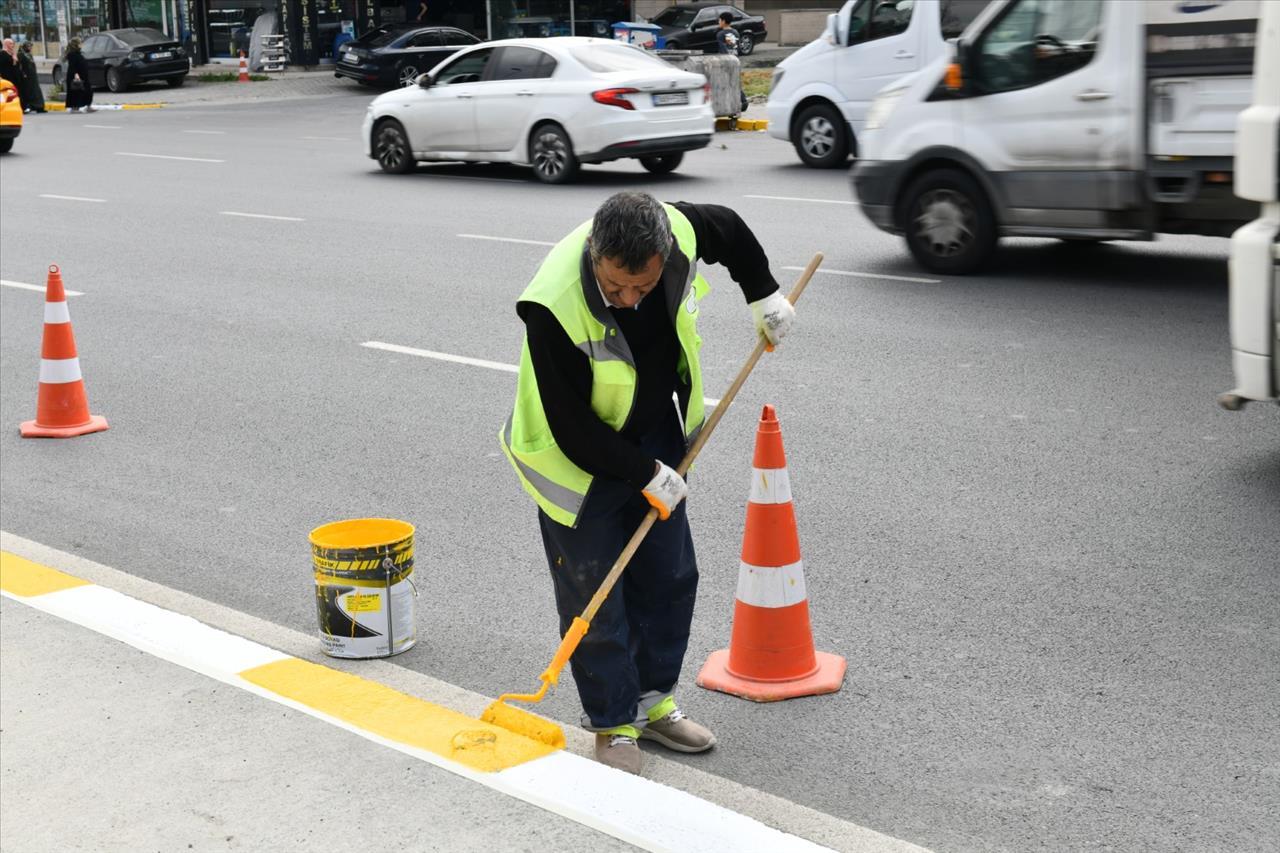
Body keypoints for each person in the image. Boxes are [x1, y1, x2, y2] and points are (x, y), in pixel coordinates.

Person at [499, 192, 796, 774]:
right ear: (594, 255)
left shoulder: (678, 231)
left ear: (662, 253)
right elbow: (571, 427)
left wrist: (763, 293)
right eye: (616, 290)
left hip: (654, 430)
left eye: (642, 286)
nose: (630, 300)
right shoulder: (551, 304)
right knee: (597, 596)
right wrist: (644, 474)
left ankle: (653, 704)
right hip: (577, 464)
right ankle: (614, 724)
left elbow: (729, 229)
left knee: (669, 576)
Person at [63, 38, 93, 113]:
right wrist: (76, 74)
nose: (81, 44)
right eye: (80, 43)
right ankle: (74, 108)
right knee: (76, 92)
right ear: (76, 44)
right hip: (76, 75)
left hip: (83, 75)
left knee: (88, 90)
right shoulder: (72, 54)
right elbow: (72, 66)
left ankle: (88, 106)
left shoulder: (78, 53)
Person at [17, 42, 46, 113]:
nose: (30, 48)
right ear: (24, 47)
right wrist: (23, 74)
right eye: (28, 47)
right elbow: (20, 66)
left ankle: (39, 107)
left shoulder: (29, 55)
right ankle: (29, 106)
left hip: (32, 76)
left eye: (30, 47)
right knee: (29, 92)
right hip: (26, 77)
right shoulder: (20, 54)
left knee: (36, 91)